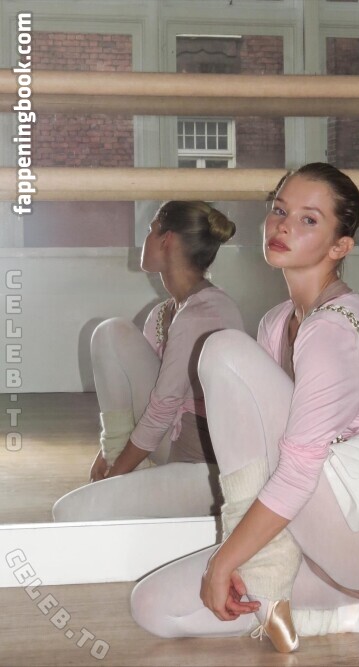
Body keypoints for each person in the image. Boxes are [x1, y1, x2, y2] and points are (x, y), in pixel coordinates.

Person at [130, 164, 359, 651]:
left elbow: (297, 471)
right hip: (308, 535)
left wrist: (226, 559)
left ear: (340, 247)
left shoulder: (332, 328)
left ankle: (275, 581)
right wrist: (235, 558)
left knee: (224, 351)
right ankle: (346, 615)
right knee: (153, 607)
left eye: (308, 220)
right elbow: (262, 454)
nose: (283, 226)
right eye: (280, 210)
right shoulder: (277, 323)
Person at [52, 200, 244, 522]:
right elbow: (136, 396)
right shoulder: (162, 313)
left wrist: (116, 476)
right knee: (111, 333)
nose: (145, 240)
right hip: (172, 442)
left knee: (73, 513)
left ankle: (131, 485)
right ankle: (123, 466)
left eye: (150, 231)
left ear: (166, 239)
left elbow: (161, 410)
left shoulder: (206, 312)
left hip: (205, 463)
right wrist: (108, 452)